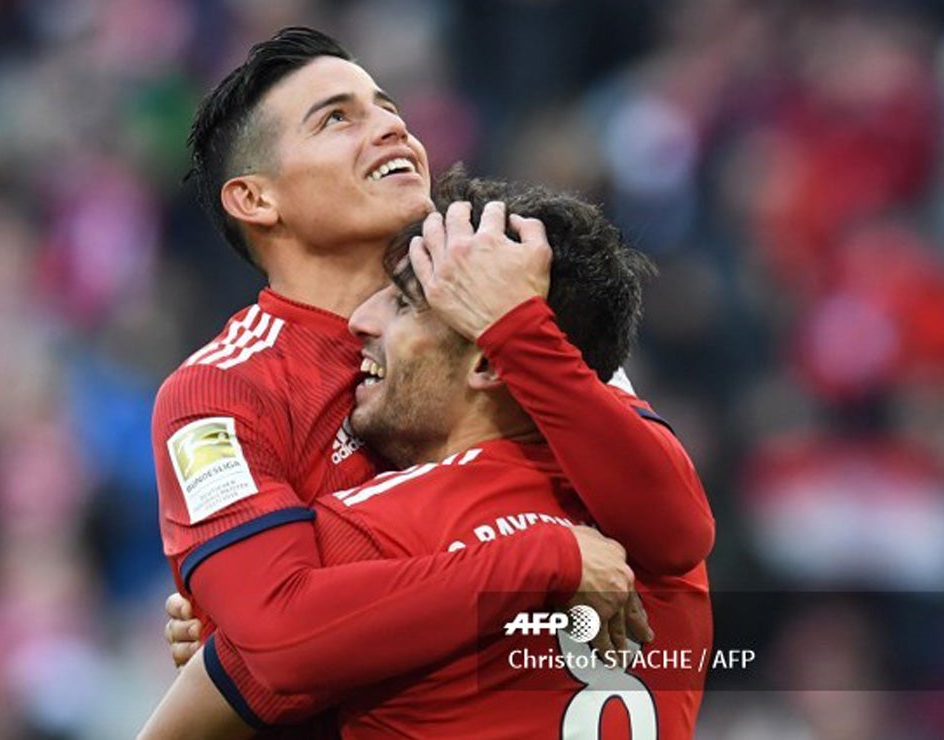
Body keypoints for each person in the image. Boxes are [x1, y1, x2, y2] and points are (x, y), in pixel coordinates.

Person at [150, 25, 713, 735]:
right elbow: (282, 637)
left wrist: (519, 332)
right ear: (256, 200)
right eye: (337, 119)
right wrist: (544, 556)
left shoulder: (508, 296)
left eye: (388, 108)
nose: (391, 128)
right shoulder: (220, 394)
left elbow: (677, 529)